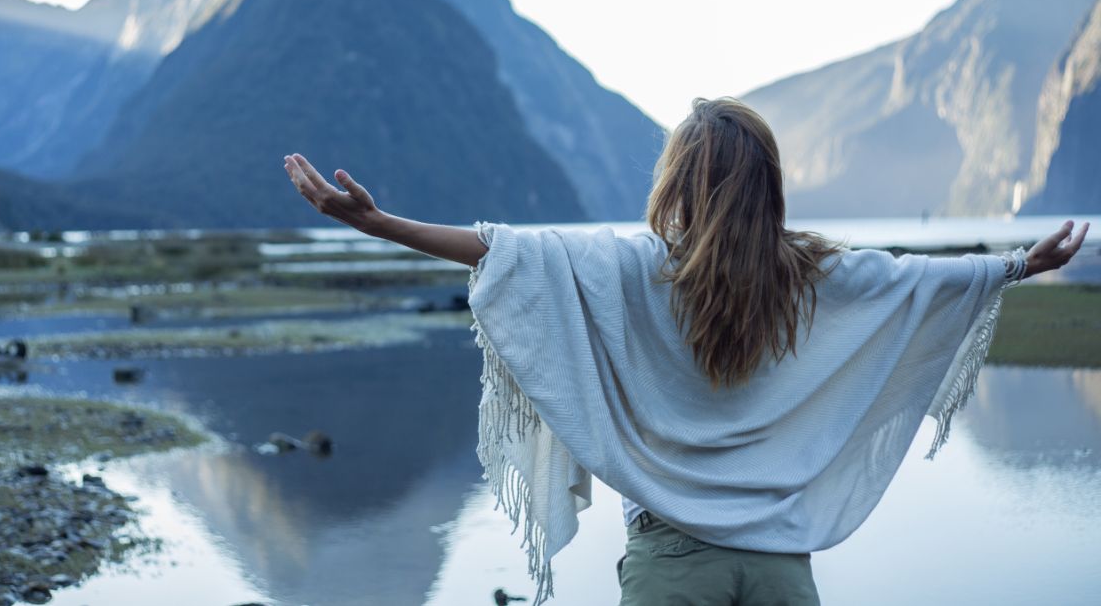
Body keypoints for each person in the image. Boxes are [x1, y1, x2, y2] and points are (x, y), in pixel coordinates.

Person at [282, 98, 1089, 606]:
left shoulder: (638, 267)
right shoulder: (814, 274)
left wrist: (382, 224)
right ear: (766, 186)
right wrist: (1021, 263)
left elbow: (503, 250)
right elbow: (918, 283)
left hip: (673, 564)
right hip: (781, 569)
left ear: (678, 184)